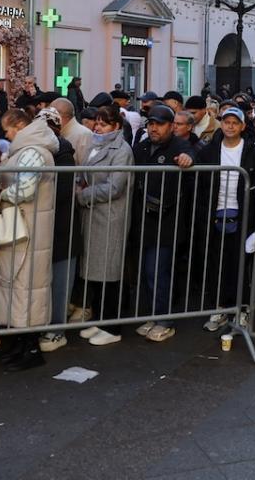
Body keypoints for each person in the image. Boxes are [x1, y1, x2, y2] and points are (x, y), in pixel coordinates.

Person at [0, 109, 58, 372]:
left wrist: (1, 194)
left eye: (8, 129)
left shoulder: (33, 151)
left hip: (28, 229)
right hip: (24, 227)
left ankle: (30, 347)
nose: (6, 134)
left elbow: (25, 188)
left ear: (21, 126)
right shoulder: (28, 150)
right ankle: (22, 345)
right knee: (22, 287)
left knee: (26, 287)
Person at [195, 107, 255, 332]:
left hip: (244, 214)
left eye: (235, 122)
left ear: (243, 126)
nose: (230, 126)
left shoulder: (253, 152)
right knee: (216, 263)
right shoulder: (209, 151)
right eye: (226, 122)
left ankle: (242, 309)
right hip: (215, 214)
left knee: (240, 264)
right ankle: (220, 308)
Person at [131, 105, 195, 342]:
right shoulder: (143, 147)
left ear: (171, 126)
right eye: (150, 123)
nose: (153, 128)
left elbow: (192, 154)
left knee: (158, 271)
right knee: (146, 272)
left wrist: (189, 159)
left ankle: (164, 319)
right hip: (143, 220)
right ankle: (153, 314)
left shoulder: (179, 146)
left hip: (167, 221)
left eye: (159, 124)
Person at [74, 106, 135, 345]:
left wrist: (83, 194)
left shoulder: (122, 150)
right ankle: (100, 320)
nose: (97, 128)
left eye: (103, 124)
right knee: (96, 271)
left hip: (110, 216)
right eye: (97, 123)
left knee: (110, 271)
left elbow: (114, 187)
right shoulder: (93, 145)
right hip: (93, 214)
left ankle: (112, 325)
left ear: (116, 127)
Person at [32, 107, 78, 355]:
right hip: (41, 226)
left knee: (60, 281)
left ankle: (56, 329)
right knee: (43, 280)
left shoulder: (63, 152)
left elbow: (62, 191)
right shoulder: (38, 150)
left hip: (61, 227)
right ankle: (43, 323)